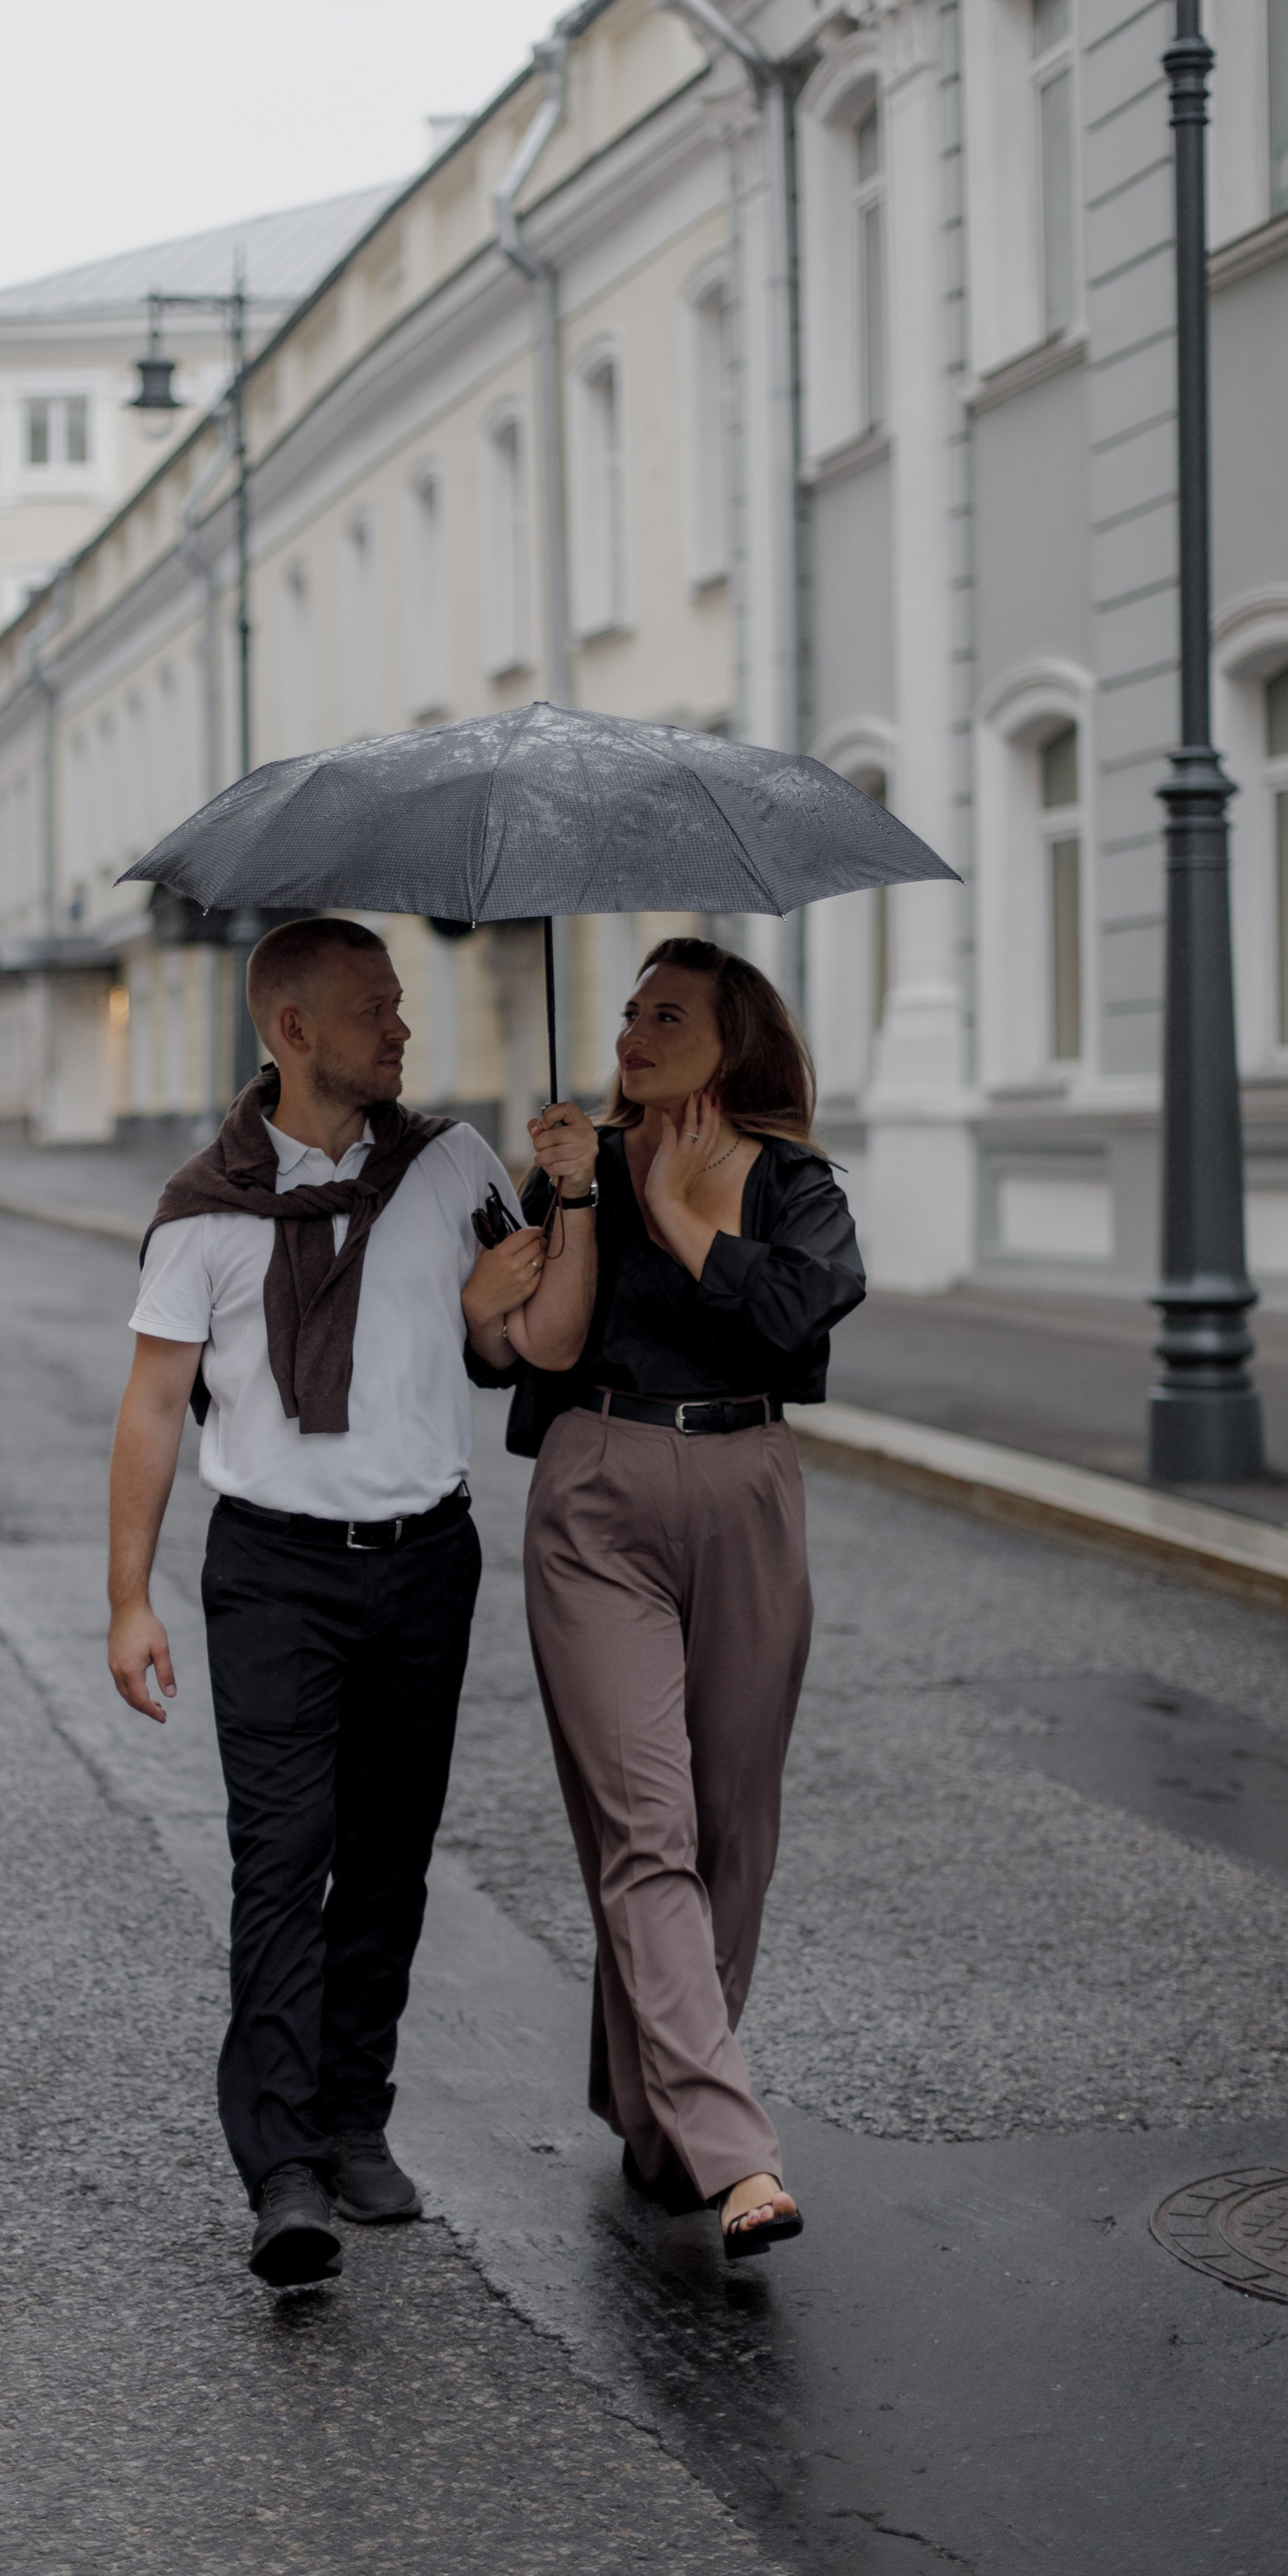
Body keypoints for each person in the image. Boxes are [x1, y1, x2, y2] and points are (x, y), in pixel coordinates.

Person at [105, 916, 594, 2289]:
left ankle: (355, 2116)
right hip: (272, 1570)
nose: (402, 1030)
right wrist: (125, 1599)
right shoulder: (207, 1210)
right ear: (293, 1033)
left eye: (400, 1006)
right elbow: (152, 1406)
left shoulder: (454, 1163)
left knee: (388, 1855)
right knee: (283, 1862)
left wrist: (544, 1235)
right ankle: (286, 2171)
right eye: (376, 1010)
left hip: (424, 1559)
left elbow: (524, 1343)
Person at [496, 936, 865, 2262]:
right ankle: (733, 2152)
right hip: (599, 1486)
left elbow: (807, 1314)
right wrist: (580, 1205)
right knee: (646, 1828)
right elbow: (516, 1343)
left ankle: (654, 2114)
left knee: (730, 1830)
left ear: (736, 1043)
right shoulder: (574, 1160)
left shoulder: (790, 1182)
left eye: (670, 1015)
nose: (635, 1032)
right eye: (631, 1011)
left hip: (750, 1480)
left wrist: (693, 1224)